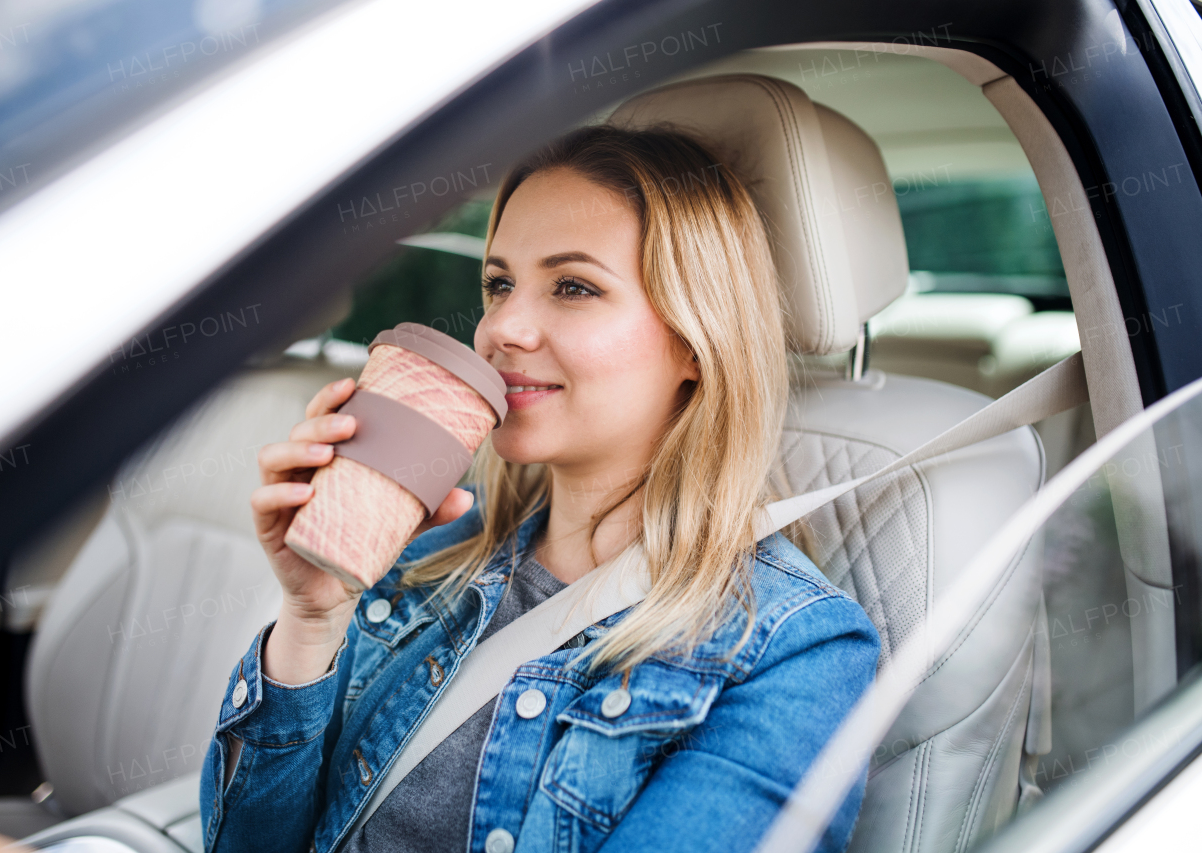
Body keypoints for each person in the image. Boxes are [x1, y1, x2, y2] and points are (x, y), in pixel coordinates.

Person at [219, 124, 881, 853]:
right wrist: (312, 617)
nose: (501, 327)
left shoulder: (795, 648)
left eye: (573, 286)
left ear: (694, 341)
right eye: (499, 284)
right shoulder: (424, 557)